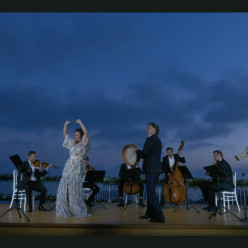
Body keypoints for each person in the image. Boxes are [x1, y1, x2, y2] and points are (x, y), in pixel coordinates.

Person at [56, 119, 91, 218]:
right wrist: (65, 125)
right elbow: (65, 135)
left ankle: (75, 208)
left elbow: (87, 133)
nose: (75, 136)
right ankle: (66, 207)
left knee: (74, 188)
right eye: (75, 134)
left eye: (77, 135)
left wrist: (80, 123)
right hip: (68, 166)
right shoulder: (73, 143)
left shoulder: (84, 144)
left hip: (77, 166)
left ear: (81, 135)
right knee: (65, 185)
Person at [135, 122, 165, 223]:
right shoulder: (154, 138)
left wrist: (137, 150)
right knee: (149, 192)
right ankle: (150, 213)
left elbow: (144, 153)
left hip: (152, 169)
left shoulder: (152, 138)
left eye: (148, 127)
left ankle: (159, 217)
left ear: (154, 129)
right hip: (153, 169)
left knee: (151, 193)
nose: (146, 129)